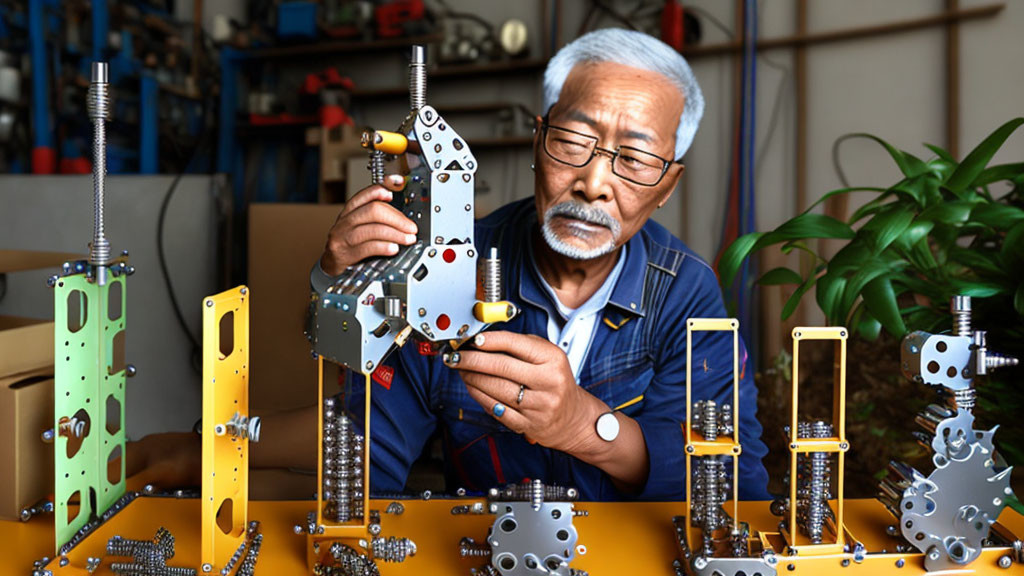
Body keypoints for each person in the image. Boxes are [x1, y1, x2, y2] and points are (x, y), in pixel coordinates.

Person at [129, 28, 770, 501]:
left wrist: (582, 424)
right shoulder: (449, 265)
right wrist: (208, 447)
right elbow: (372, 441)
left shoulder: (686, 291)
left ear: (667, 185)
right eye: (574, 142)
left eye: (633, 159)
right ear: (539, 139)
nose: (595, 182)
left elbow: (734, 481)